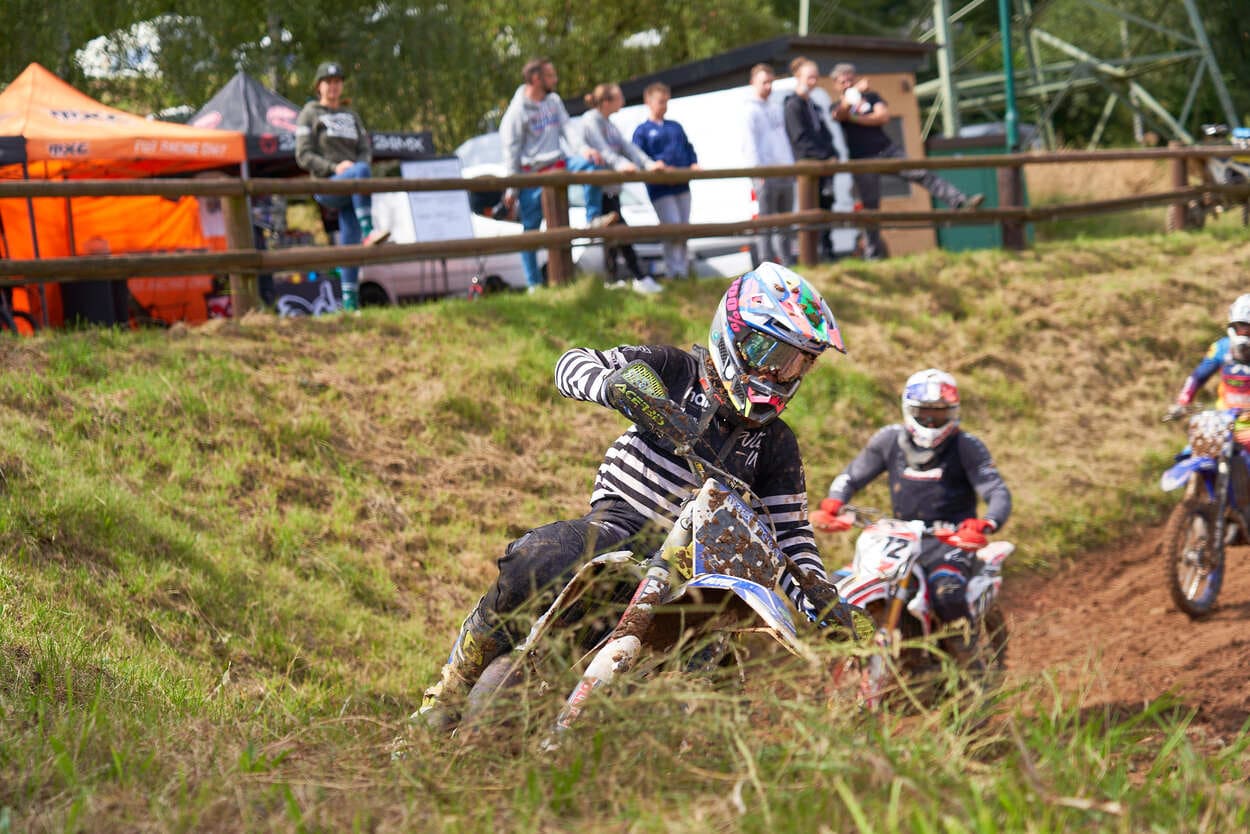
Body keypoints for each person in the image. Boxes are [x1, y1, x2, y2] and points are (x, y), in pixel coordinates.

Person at [417, 262, 848, 732]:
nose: (781, 374)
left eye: (798, 363)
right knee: (539, 557)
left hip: (700, 574)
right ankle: (452, 688)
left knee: (724, 685)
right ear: (736, 335)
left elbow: (790, 534)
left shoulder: (777, 443)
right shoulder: (675, 370)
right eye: (774, 354)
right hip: (622, 526)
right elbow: (571, 363)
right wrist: (615, 387)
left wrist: (823, 599)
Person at [809, 369, 1011, 647]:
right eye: (923, 413)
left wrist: (986, 523)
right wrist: (834, 501)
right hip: (902, 536)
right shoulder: (889, 439)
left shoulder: (967, 446)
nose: (931, 421)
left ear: (953, 413)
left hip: (951, 540)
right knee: (836, 586)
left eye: (939, 414)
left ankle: (969, 658)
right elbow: (851, 476)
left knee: (947, 593)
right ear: (908, 409)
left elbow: (996, 490)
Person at [829, 63, 982, 261]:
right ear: (836, 85)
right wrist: (854, 98)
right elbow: (840, 114)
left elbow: (882, 117)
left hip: (887, 151)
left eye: (850, 79)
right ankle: (873, 255)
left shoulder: (872, 97)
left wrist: (854, 118)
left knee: (921, 173)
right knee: (870, 207)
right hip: (862, 159)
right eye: (843, 81)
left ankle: (959, 201)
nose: (847, 84)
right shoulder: (836, 104)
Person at [499, 58, 604, 293]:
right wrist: (512, 188)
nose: (555, 80)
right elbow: (511, 153)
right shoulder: (516, 112)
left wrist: (584, 150)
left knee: (592, 166)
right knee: (531, 231)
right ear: (536, 79)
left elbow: (568, 129)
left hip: (560, 163)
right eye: (550, 76)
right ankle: (534, 284)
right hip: (533, 175)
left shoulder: (554, 101)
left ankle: (593, 218)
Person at [295, 61, 390, 312]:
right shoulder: (309, 113)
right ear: (318, 86)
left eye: (337, 82)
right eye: (328, 82)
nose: (333, 86)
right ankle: (369, 229)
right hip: (328, 184)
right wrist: (335, 167)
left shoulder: (352, 116)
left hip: (354, 188)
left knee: (350, 241)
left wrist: (359, 168)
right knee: (361, 172)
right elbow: (303, 155)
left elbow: (365, 149)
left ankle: (350, 303)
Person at [580, 83, 667, 295]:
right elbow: (603, 149)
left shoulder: (610, 125)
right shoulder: (591, 121)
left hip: (612, 189)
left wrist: (647, 164)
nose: (623, 101)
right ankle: (640, 276)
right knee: (621, 232)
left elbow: (628, 148)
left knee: (613, 234)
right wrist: (621, 164)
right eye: (619, 97)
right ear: (606, 101)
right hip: (599, 190)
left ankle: (612, 279)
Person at [632, 83, 700, 280]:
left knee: (684, 228)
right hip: (660, 189)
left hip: (682, 185)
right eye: (660, 102)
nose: (664, 106)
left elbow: (688, 148)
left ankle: (683, 271)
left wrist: (693, 163)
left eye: (666, 102)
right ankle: (673, 271)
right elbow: (637, 156)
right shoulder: (642, 131)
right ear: (649, 101)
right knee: (672, 226)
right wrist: (654, 166)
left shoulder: (675, 126)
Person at [783, 58, 838, 261]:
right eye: (810, 77)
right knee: (811, 211)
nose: (814, 81)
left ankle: (828, 251)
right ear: (799, 77)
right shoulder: (793, 105)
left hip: (823, 167)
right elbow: (800, 139)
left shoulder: (813, 105)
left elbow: (825, 134)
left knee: (826, 206)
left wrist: (833, 154)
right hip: (809, 168)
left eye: (816, 77)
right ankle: (812, 256)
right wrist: (824, 157)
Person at [742, 63, 796, 266]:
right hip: (765, 172)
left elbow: (784, 140)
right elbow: (750, 143)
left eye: (770, 82)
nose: (768, 86)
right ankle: (766, 263)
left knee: (785, 221)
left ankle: (786, 262)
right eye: (764, 82)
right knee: (766, 221)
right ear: (753, 83)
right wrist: (758, 170)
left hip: (784, 170)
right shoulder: (749, 110)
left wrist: (790, 165)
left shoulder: (776, 107)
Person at [1166, 294, 1250, 418]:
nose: (1245, 331)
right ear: (1232, 324)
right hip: (1225, 417)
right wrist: (1183, 402)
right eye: (1241, 325)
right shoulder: (1221, 348)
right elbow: (1197, 377)